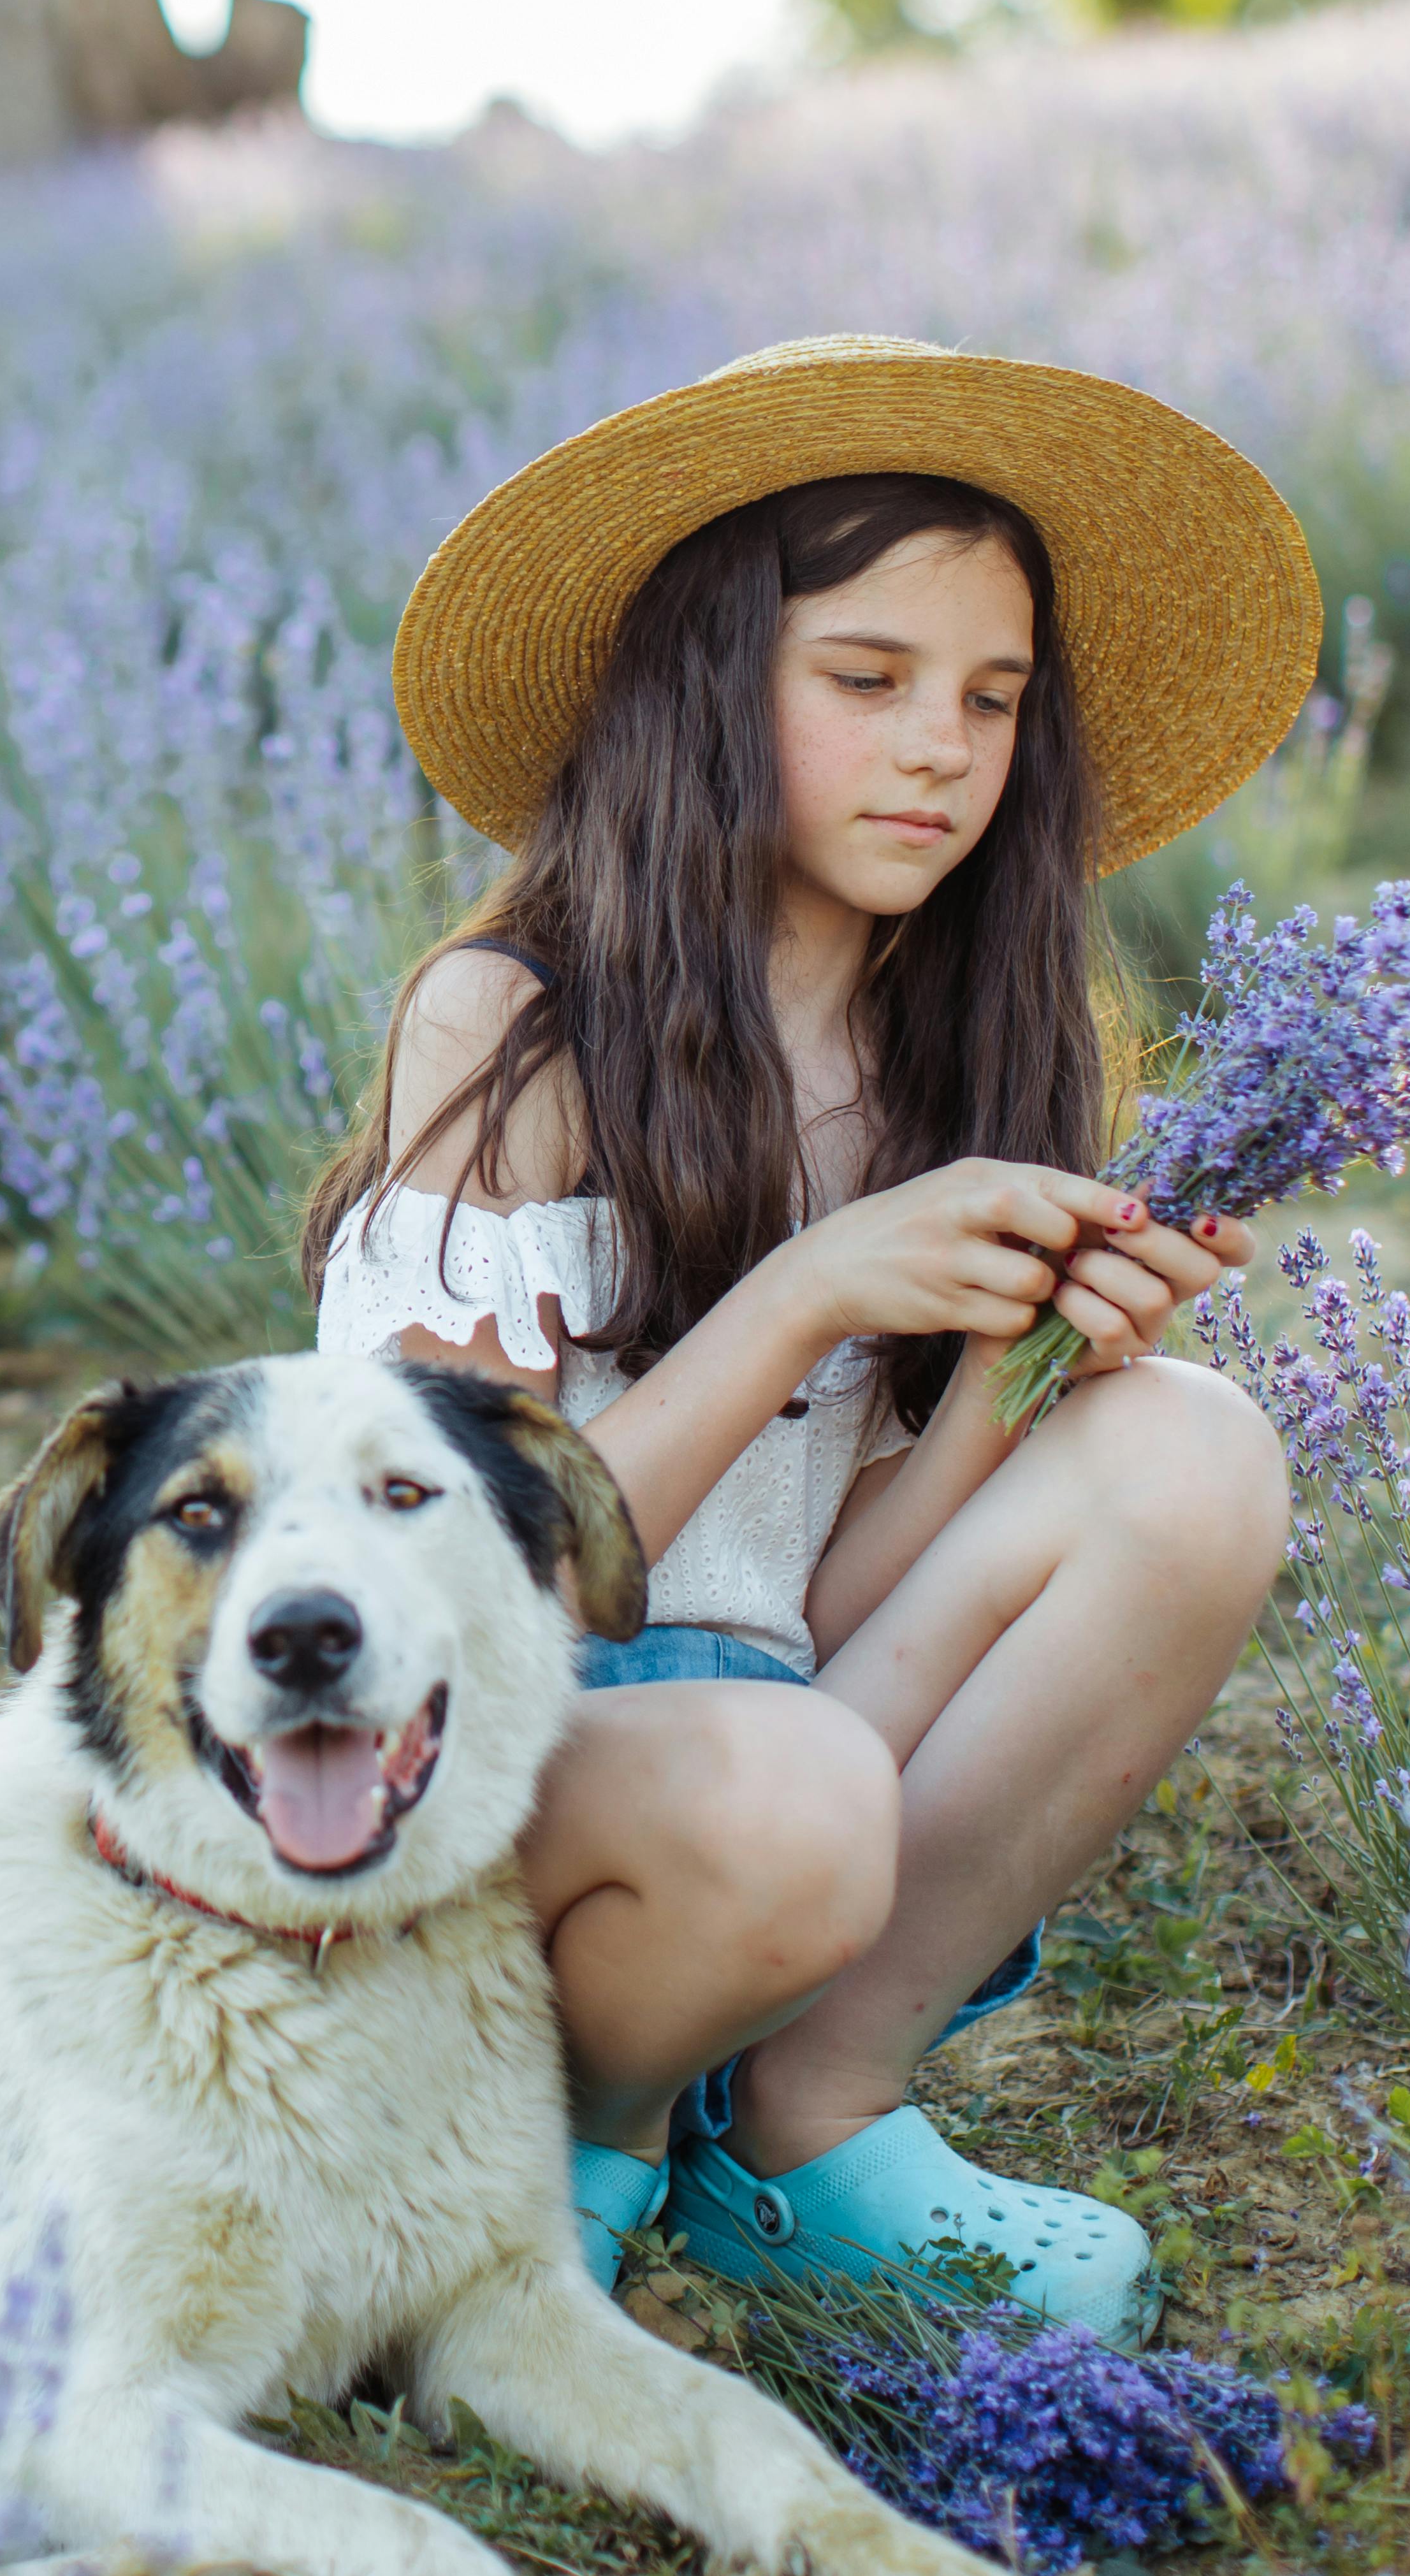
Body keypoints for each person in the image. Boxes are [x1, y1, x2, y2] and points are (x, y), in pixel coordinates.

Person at [306, 333, 1322, 2350]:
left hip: (760, 1785)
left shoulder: (949, 1056)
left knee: (1191, 1452)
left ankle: (802, 2129)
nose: (942, 746)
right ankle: (540, 2175)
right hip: (476, 1794)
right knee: (781, 1786)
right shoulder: (516, 1033)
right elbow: (455, 1581)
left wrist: (1024, 1392)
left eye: (994, 699)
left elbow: (790, 1600)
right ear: (711, 688)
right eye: (866, 681)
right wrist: (815, 1285)